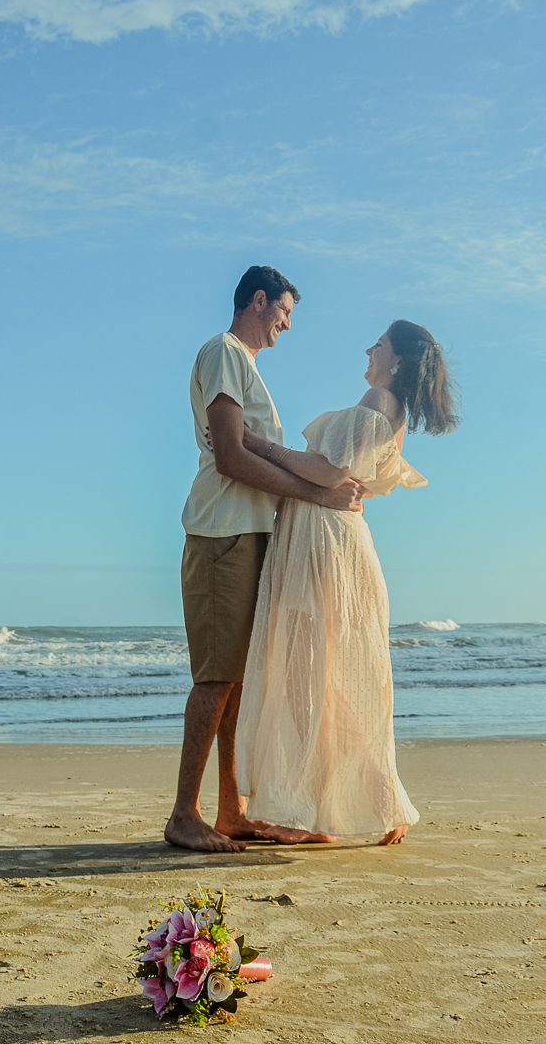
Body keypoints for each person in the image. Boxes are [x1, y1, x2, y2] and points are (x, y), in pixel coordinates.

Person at [165, 266, 365, 854]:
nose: (285, 326)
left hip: (249, 534)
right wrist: (317, 494)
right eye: (283, 313)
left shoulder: (245, 366)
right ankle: (184, 813)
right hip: (221, 534)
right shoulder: (224, 351)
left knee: (237, 680)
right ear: (258, 300)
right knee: (216, 676)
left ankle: (231, 811)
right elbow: (229, 455)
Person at [236, 319, 459, 844]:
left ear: (398, 360)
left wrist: (257, 446)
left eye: (378, 344)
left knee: (304, 679)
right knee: (315, 678)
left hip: (323, 543)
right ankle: (369, 801)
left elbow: (329, 471)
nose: (368, 348)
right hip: (333, 539)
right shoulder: (392, 410)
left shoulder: (377, 399)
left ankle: (310, 814)